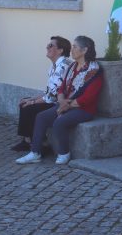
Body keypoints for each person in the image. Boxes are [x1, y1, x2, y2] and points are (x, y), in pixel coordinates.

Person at [16, 35, 103, 165]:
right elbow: (61, 88)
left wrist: (67, 105)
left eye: (75, 47)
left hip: (83, 109)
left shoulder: (94, 70)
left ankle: (64, 153)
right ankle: (35, 152)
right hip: (65, 104)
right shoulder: (72, 66)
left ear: (84, 50)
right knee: (41, 117)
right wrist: (62, 101)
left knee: (59, 122)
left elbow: (89, 97)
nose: (72, 50)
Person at [11, 36, 73, 152]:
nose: (47, 47)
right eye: (48, 45)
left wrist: (32, 102)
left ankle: (40, 144)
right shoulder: (56, 65)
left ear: (60, 50)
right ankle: (28, 141)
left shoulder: (62, 66)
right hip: (55, 99)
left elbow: (53, 96)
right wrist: (32, 99)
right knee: (25, 102)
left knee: (29, 107)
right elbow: (49, 91)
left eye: (51, 46)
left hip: (61, 103)